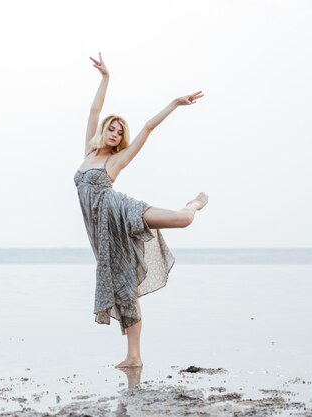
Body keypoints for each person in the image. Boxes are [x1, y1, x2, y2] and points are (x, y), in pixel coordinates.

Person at [74, 52, 209, 369]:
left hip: (121, 212)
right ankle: (134, 357)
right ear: (104, 129)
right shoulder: (88, 152)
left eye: (120, 132)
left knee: (184, 220)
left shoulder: (114, 162)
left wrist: (175, 104)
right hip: (102, 232)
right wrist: (106, 78)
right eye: (112, 128)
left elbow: (148, 127)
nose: (116, 134)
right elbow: (94, 109)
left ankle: (195, 203)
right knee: (124, 286)